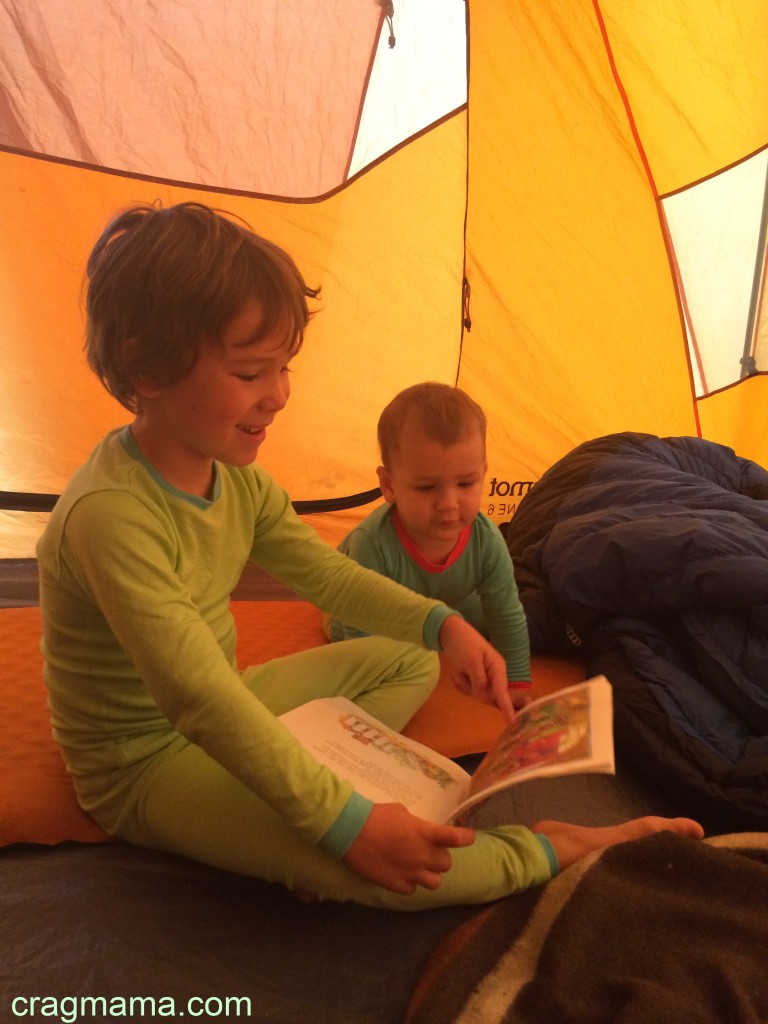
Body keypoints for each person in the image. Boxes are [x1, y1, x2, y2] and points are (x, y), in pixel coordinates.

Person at [37, 201, 704, 912]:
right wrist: (346, 825)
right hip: (146, 758)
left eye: (284, 368)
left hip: (227, 698)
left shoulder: (232, 474)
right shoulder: (111, 517)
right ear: (147, 368)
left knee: (410, 657)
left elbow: (326, 574)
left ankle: (309, 776)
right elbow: (196, 697)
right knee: (394, 870)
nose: (280, 395)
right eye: (251, 373)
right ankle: (546, 846)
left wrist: (443, 628)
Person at [327, 382, 532, 708]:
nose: (449, 504)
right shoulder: (372, 544)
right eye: (426, 488)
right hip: (370, 612)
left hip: (447, 605)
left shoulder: (487, 540)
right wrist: (372, 685)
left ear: (483, 474)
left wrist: (517, 680)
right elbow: (360, 624)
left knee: (485, 622)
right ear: (389, 485)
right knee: (345, 633)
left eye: (466, 483)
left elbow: (506, 612)